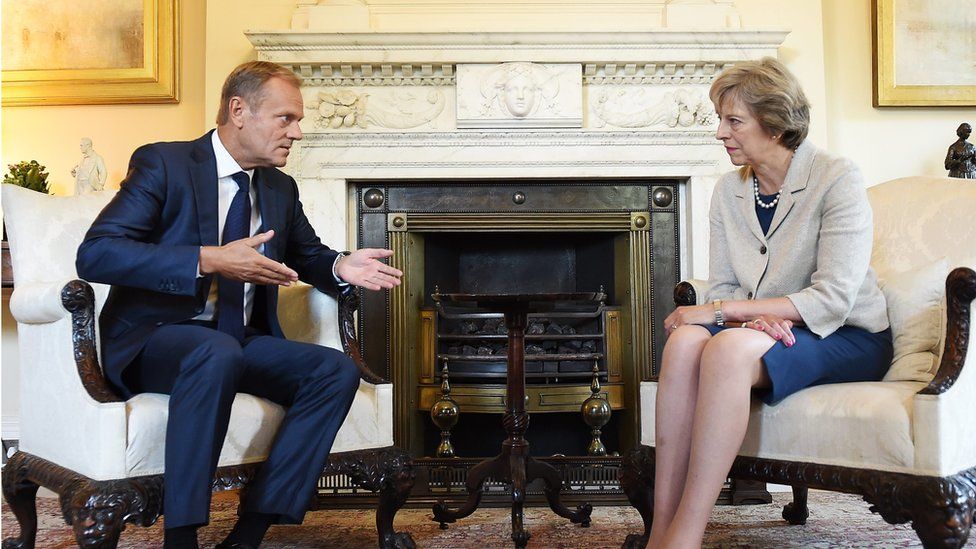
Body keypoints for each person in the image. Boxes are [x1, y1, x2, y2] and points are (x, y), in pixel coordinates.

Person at [76, 61, 403, 549]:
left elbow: (307, 256)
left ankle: (249, 533)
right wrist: (209, 260)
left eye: (298, 120)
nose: (296, 132)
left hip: (236, 341)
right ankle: (181, 537)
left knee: (334, 371)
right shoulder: (165, 164)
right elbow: (96, 253)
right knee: (214, 352)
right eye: (285, 118)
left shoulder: (278, 187)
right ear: (239, 111)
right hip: (155, 340)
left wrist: (340, 267)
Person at [651, 57, 892, 549]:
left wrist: (736, 316)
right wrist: (745, 314)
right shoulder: (728, 191)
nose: (720, 132)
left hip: (846, 334)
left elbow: (834, 297)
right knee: (683, 343)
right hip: (772, 327)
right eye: (720, 119)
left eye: (733, 120)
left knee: (726, 348)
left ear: (776, 123)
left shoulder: (836, 177)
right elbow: (726, 287)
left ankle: (687, 537)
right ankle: (659, 532)